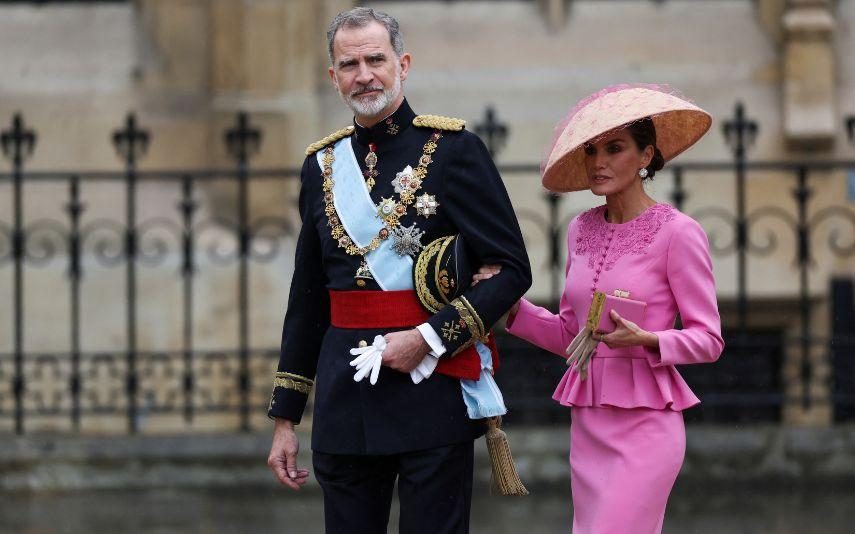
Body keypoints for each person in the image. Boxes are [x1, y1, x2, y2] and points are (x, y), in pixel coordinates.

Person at [265, 7, 531, 534]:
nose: (363, 74)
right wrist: (285, 417)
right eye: (349, 64)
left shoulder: (456, 151)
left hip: (429, 391)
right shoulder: (321, 166)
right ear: (332, 77)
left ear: (402, 64)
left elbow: (512, 270)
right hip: (346, 397)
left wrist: (429, 338)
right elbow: (309, 298)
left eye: (375, 59)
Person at [490, 84, 724, 533]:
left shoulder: (679, 232)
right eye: (592, 150)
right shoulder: (580, 229)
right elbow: (570, 335)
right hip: (590, 426)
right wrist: (507, 305)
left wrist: (649, 339)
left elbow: (709, 340)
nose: (599, 162)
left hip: (648, 430)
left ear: (645, 156)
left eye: (615, 148)